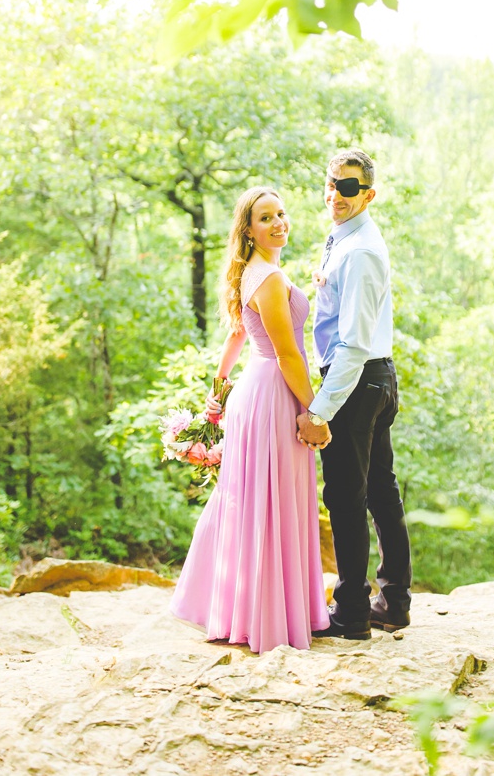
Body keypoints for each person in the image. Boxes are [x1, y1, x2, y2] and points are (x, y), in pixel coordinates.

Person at [171, 187, 330, 652]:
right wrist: (315, 410)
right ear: (249, 230)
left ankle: (246, 610)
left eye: (282, 213)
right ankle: (267, 620)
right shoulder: (270, 279)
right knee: (268, 503)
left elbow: (237, 336)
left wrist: (217, 394)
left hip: (250, 395)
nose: (279, 222)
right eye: (266, 217)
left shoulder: (253, 273)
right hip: (273, 397)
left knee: (251, 501)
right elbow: (286, 354)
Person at [296, 149, 412, 640]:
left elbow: (352, 343)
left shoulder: (361, 250)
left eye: (348, 188)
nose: (335, 195)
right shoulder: (346, 239)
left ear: (368, 194)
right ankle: (394, 602)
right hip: (374, 377)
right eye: (331, 184)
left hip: (357, 380)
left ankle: (351, 614)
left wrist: (320, 409)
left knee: (346, 497)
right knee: (382, 493)